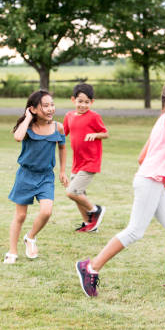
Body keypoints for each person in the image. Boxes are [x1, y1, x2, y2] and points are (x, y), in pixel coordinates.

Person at [75, 80, 165, 299]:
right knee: (135, 231)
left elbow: (141, 157)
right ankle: (90, 266)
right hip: (150, 181)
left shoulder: (161, 120)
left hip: (150, 181)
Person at [4, 90, 69, 264]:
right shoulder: (28, 127)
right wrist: (27, 118)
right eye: (45, 106)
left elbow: (62, 148)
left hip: (46, 176)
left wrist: (62, 171)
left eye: (52, 105)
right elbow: (18, 137)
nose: (50, 109)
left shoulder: (58, 127)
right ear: (33, 109)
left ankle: (30, 237)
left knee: (47, 211)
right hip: (25, 175)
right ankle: (12, 251)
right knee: (20, 216)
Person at [64, 83, 109, 232]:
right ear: (73, 100)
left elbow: (105, 133)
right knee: (79, 194)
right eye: (80, 101)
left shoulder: (94, 117)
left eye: (86, 102)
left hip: (90, 162)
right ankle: (89, 224)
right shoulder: (69, 116)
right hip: (77, 163)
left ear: (92, 102)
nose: (83, 105)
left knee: (72, 192)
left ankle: (95, 210)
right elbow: (62, 134)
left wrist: (96, 134)